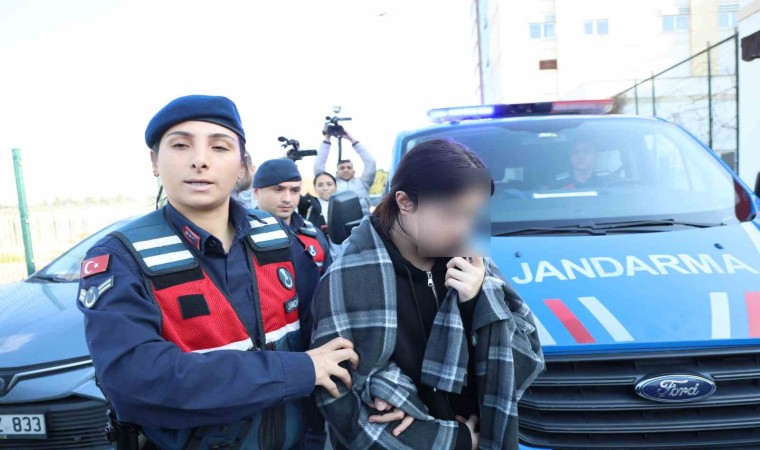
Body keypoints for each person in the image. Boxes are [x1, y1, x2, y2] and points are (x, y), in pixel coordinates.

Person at [76, 95, 358, 450]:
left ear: (242, 166)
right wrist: (297, 371)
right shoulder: (121, 257)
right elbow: (136, 382)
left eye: (220, 147)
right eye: (180, 145)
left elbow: (323, 326)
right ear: (154, 161)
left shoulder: (276, 237)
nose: (200, 160)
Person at [310, 139, 545, 450]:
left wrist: (478, 302)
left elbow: (525, 355)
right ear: (405, 202)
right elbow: (340, 400)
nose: (464, 229)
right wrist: (456, 440)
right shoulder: (347, 279)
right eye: (451, 214)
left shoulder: (474, 263)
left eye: (473, 214)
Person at [253, 159, 333, 275]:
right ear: (256, 192)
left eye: (295, 190)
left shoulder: (314, 236)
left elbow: (329, 282)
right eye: (278, 190)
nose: (287, 199)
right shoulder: (239, 235)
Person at [313, 129, 376, 214]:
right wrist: (327, 139)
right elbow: (318, 167)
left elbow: (370, 162)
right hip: (338, 220)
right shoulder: (331, 185)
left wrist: (352, 139)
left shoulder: (363, 183)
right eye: (342, 168)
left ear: (354, 171)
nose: (346, 170)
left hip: (364, 219)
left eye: (349, 167)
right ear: (336, 172)